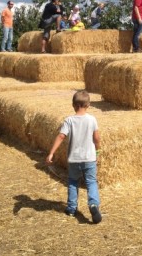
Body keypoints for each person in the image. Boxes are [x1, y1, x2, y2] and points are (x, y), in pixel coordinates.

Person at [46, 90, 102, 224]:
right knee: (91, 182)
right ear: (88, 105)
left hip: (74, 159)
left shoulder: (69, 120)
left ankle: (71, 208)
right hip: (89, 158)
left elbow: (61, 136)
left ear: (73, 105)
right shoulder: (92, 119)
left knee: (72, 182)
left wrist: (51, 152)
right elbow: (97, 138)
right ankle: (93, 205)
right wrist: (98, 151)